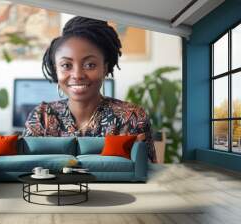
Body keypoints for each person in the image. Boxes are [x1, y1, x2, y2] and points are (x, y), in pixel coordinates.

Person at [22, 16, 157, 163]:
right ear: (56, 70)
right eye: (66, 65)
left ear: (105, 68)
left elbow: (143, 174)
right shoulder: (42, 117)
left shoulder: (131, 118)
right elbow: (27, 171)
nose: (78, 75)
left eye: (90, 65)